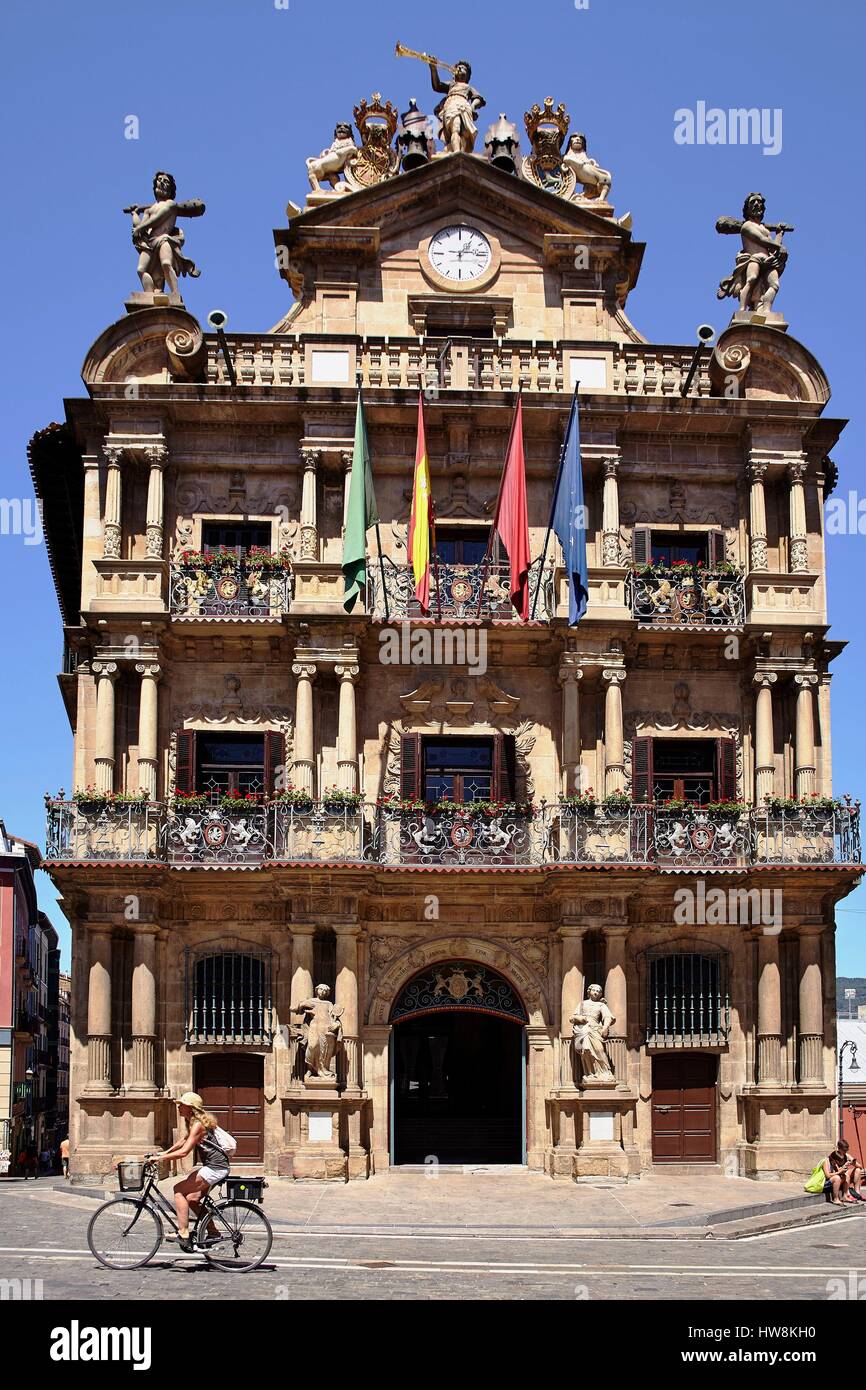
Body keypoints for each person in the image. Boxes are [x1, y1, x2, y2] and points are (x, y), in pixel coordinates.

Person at [159, 1092, 230, 1252]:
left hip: (215, 1168)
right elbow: (183, 1141)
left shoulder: (198, 1124)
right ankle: (212, 1233)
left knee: (178, 1191)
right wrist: (163, 1153)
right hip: (215, 1167)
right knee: (192, 1199)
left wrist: (160, 1160)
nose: (179, 1107)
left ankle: (183, 1233)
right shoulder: (192, 1122)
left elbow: (184, 1152)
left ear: (190, 1108)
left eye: (181, 1105)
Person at [821, 1138, 865, 1206]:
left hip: (839, 1177)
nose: (845, 1152)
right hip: (828, 1182)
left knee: (857, 1170)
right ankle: (837, 1198)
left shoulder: (845, 1156)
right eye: (844, 1150)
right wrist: (841, 1170)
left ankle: (855, 1193)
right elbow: (828, 1175)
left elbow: (860, 1167)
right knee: (838, 1177)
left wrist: (853, 1163)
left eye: (847, 1150)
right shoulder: (829, 1159)